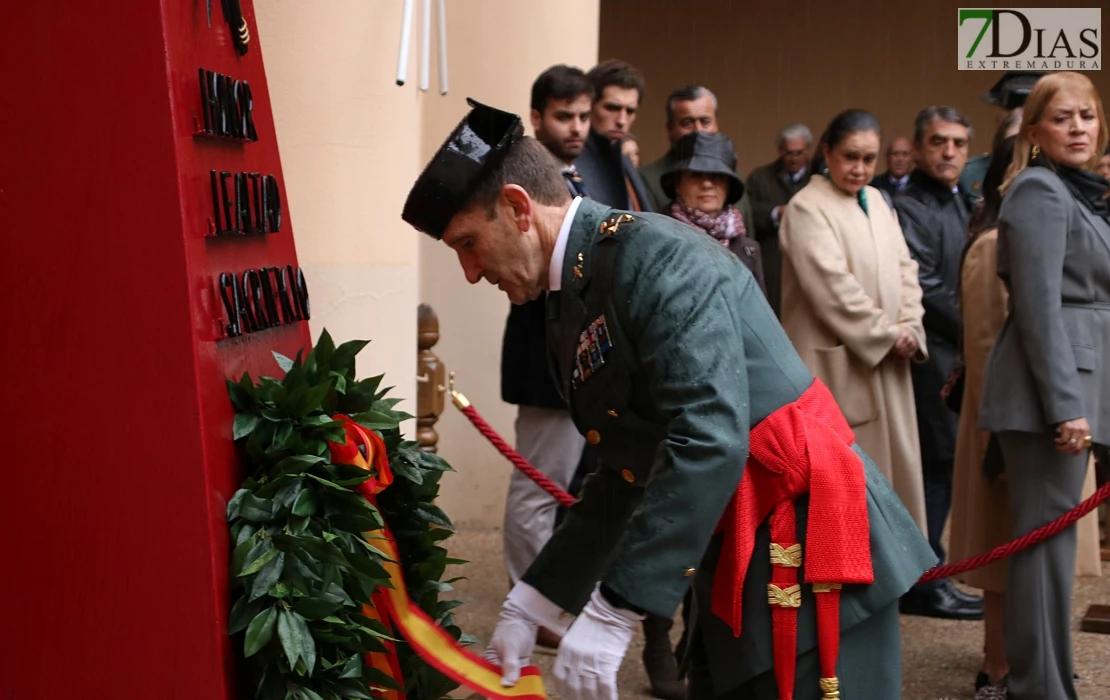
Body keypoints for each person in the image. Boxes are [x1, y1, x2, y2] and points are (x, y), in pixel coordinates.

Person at [402, 99, 935, 700]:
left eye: (469, 243)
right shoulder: (572, 288)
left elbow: (707, 436)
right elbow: (626, 467)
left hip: (807, 548)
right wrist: (537, 595)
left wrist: (615, 607)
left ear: (519, 208)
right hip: (736, 535)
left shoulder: (656, 258)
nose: (471, 271)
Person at [978, 71, 1110, 700]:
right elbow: (1036, 308)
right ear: (1033, 131)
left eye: (1087, 115)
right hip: (1048, 398)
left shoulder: (1076, 192)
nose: (1078, 127)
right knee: (1042, 548)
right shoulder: (1039, 190)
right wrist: (1066, 407)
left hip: (1072, 389)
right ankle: (1039, 688)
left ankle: (1049, 683)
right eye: (1062, 118)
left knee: (1052, 550)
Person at [779, 110, 930, 540]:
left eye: (869, 158)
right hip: (841, 367)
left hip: (888, 358)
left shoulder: (879, 201)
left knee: (892, 478)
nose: (860, 168)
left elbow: (906, 269)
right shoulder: (806, 206)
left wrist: (911, 326)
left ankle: (896, 578)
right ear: (827, 152)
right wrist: (888, 333)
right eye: (850, 157)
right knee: (849, 485)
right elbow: (832, 288)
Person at [498, 65, 593, 651]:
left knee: (570, 490)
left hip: (584, 360)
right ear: (537, 117)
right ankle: (529, 610)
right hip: (543, 360)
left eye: (584, 115)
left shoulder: (593, 170)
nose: (578, 127)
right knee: (537, 489)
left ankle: (553, 602)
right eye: (565, 116)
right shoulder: (524, 178)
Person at [893, 106, 984, 622]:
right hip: (933, 361)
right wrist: (981, 324)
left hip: (961, 356)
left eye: (958, 143)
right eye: (938, 142)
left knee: (945, 471)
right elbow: (925, 286)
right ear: (920, 146)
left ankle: (929, 575)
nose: (949, 152)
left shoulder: (960, 202)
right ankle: (924, 582)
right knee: (933, 471)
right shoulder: (911, 206)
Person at [948, 129, 1018, 698]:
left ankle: (1031, 659)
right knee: (1004, 554)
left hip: (1053, 422)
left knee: (1040, 554)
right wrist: (995, 439)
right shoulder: (993, 243)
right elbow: (986, 347)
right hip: (1007, 425)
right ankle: (997, 666)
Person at [661, 130, 766, 294]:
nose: (707, 184)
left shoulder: (749, 249)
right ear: (678, 185)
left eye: (717, 176)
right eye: (696, 175)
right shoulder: (658, 237)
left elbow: (759, 315)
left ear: (729, 187)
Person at [638, 85, 755, 229]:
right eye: (687, 123)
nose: (698, 130)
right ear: (669, 129)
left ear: (716, 124)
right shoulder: (647, 180)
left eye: (705, 122)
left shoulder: (732, 176)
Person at [745, 123, 814, 317]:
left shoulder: (817, 180)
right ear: (780, 150)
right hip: (772, 259)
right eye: (789, 152)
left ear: (807, 150)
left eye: (799, 153)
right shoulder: (760, 177)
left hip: (807, 257)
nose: (794, 158)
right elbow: (747, 210)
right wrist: (775, 212)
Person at [574, 59, 654, 212]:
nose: (622, 121)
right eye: (612, 108)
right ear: (589, 106)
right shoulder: (570, 165)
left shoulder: (626, 162)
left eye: (630, 111)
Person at [960, 71, 1044, 201]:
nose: (1021, 141)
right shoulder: (969, 175)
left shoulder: (1063, 175)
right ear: (999, 123)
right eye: (1013, 123)